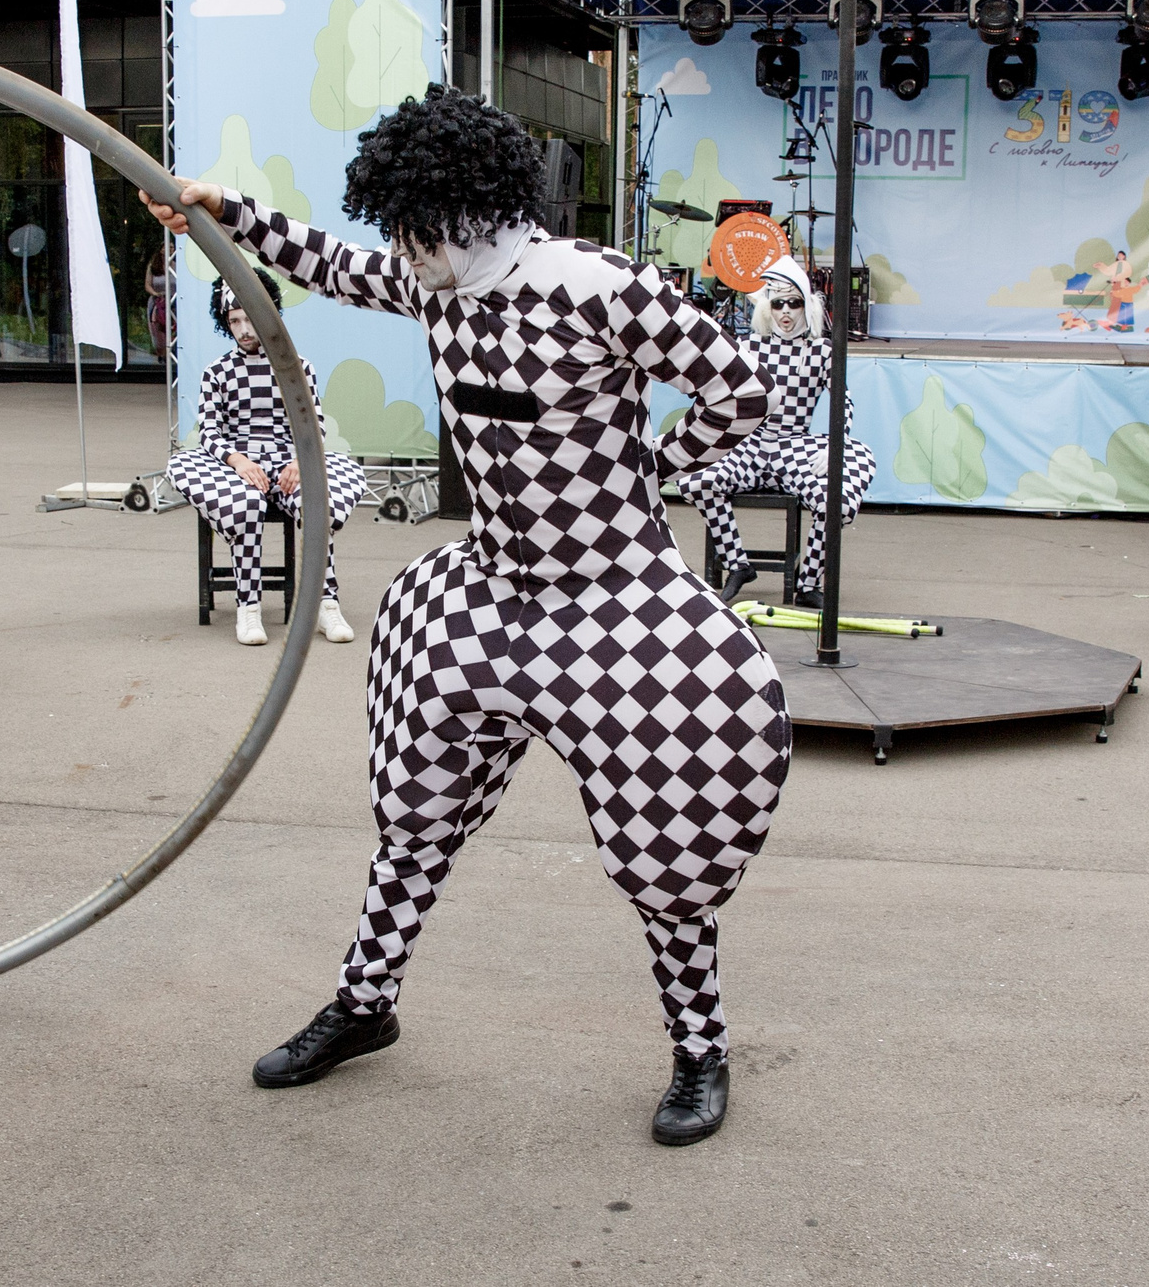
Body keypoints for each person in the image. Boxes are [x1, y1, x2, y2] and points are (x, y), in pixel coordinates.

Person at [141, 83, 787, 1148]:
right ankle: (366, 1000)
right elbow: (326, 264)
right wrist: (223, 212)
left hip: (617, 602)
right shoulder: (429, 278)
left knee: (667, 850)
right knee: (412, 817)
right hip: (487, 593)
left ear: (473, 205)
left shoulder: (594, 285)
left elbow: (736, 386)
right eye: (393, 225)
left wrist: (645, 475)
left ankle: (700, 1047)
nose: (401, 246)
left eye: (415, 224)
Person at [163, 269, 364, 646]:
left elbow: (314, 425)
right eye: (234, 320)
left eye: (249, 317)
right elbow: (209, 432)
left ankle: (326, 604)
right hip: (241, 465)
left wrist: (300, 463)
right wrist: (238, 462)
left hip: (290, 462)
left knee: (319, 500)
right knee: (243, 503)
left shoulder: (297, 368)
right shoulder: (217, 372)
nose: (243, 329)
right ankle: (248, 607)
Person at [665, 257, 875, 608]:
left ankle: (808, 582)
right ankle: (737, 564)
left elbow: (843, 399)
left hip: (794, 445)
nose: (785, 312)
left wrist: (836, 444)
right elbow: (717, 391)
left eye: (794, 302)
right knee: (695, 481)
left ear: (807, 306)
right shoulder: (751, 347)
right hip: (750, 444)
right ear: (767, 308)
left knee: (832, 501)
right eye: (778, 303)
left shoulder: (822, 351)